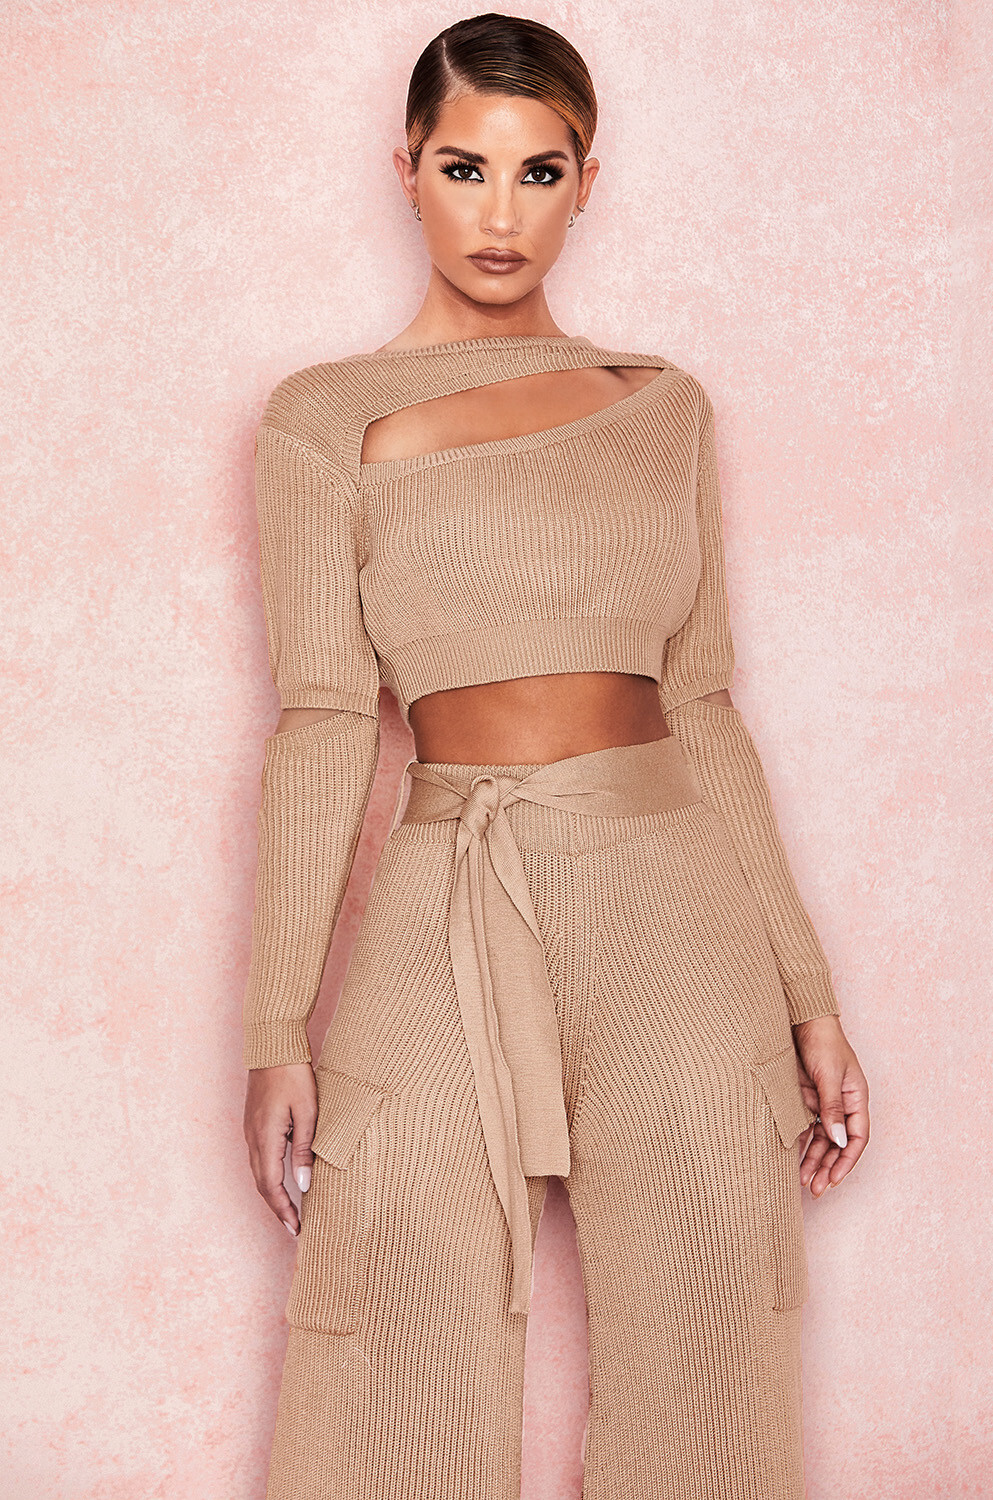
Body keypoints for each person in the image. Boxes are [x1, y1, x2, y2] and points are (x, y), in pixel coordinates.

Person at [241, 13, 870, 1499]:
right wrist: (276, 1027)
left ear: (590, 182)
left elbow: (703, 705)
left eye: (540, 171)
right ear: (406, 168)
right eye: (465, 166)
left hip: (672, 895)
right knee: (393, 1286)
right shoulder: (322, 418)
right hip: (447, 876)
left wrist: (812, 999)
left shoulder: (661, 407)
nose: (500, 212)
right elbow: (325, 723)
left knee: (713, 1298)